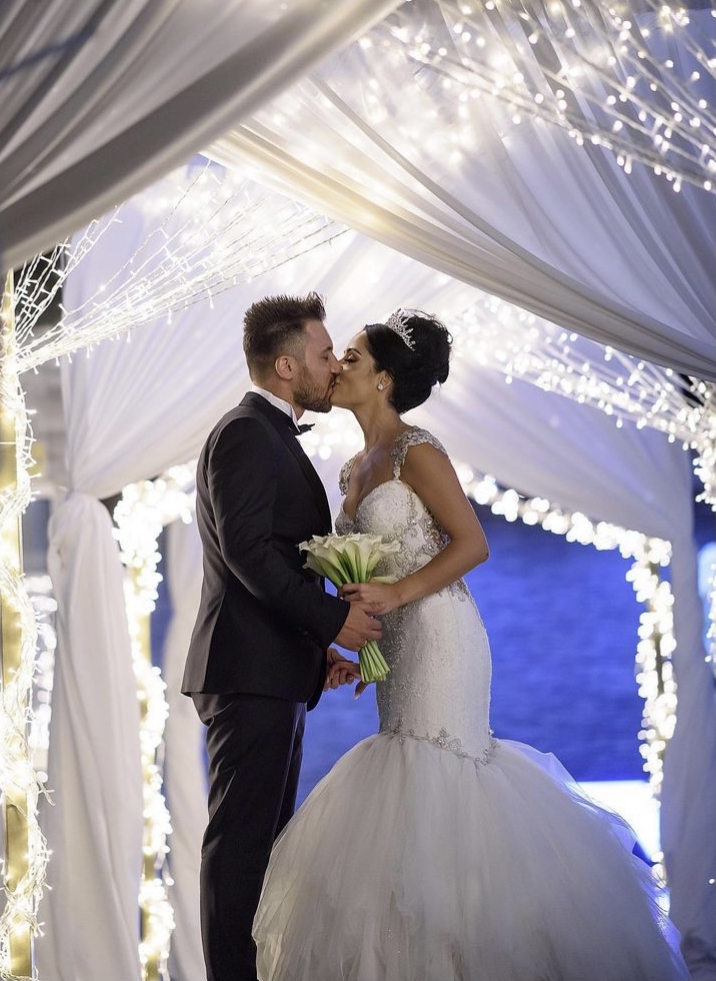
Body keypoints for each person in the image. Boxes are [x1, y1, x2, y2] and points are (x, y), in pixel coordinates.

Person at [252, 309, 690, 981]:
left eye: (352, 357)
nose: (337, 366)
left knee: (440, 773)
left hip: (441, 636)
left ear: (385, 379)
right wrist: (365, 641)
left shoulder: (416, 450)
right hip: (397, 644)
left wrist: (397, 594)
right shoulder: (351, 470)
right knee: (400, 783)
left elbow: (472, 543)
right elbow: (368, 574)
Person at [181, 293, 381, 981]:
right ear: (287, 366)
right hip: (247, 674)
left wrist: (314, 647)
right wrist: (331, 619)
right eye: (324, 355)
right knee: (241, 851)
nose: (334, 367)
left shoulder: (266, 433)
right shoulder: (246, 432)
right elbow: (247, 553)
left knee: (261, 850)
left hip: (269, 667)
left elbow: (270, 558)